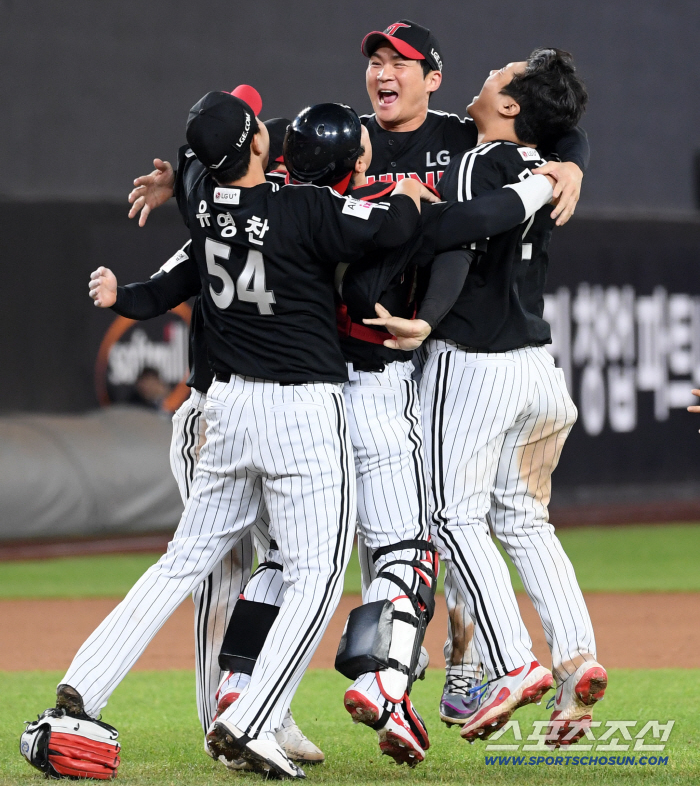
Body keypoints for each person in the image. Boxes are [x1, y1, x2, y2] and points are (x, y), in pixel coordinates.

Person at [25, 89, 423, 781]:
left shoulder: (203, 201)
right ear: (258, 146)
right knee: (316, 572)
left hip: (229, 409)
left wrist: (170, 197)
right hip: (300, 411)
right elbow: (387, 229)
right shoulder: (302, 207)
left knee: (180, 563)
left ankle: (83, 690)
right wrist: (413, 197)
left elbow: (199, 163)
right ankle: (250, 717)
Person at [370, 48, 606, 748]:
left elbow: (450, 237)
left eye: (503, 75)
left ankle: (512, 662)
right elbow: (565, 133)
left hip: (475, 364)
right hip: (539, 367)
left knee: (450, 514)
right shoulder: (546, 165)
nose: (491, 73)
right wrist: (569, 164)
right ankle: (575, 661)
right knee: (526, 524)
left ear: (510, 106)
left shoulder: (480, 162)